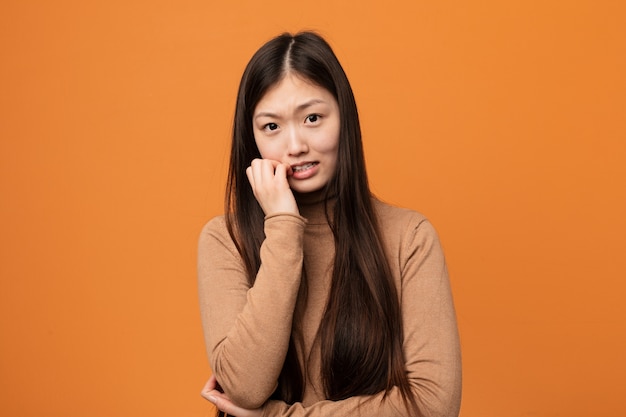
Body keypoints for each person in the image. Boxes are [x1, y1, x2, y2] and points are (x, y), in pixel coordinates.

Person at [197, 31, 462, 417]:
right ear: (251, 138)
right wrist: (284, 225)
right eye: (271, 127)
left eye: (313, 118)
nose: (295, 145)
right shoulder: (226, 240)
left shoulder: (409, 237)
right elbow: (246, 388)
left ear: (345, 118)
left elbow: (434, 405)